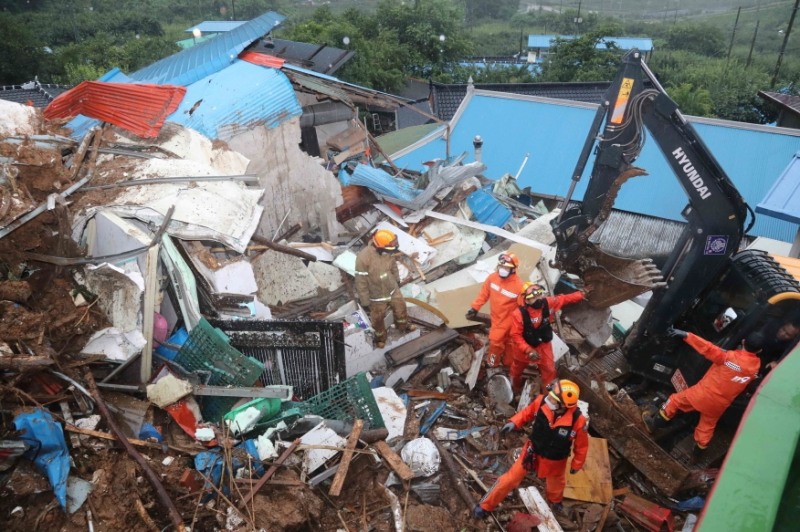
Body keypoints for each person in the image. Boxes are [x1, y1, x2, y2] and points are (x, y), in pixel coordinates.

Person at [474, 379, 589, 518]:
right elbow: (527, 412)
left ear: (563, 405)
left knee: (556, 484)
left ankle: (555, 501)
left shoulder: (578, 421)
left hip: (556, 460)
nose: (549, 400)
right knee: (510, 479)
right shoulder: (541, 402)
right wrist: (514, 422)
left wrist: (577, 463)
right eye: (550, 396)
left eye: (553, 399)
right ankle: (486, 505)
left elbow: (581, 445)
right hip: (532, 451)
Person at [643, 328, 764, 458]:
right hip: (720, 404)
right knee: (707, 426)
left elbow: (708, 348)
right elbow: (744, 371)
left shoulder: (728, 358)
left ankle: (653, 424)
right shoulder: (755, 366)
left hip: (703, 394)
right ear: (760, 351)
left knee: (674, 400)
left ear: (743, 341)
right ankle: (697, 454)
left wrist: (687, 335)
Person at [508, 282, 585, 392]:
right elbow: (516, 335)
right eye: (533, 297)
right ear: (526, 300)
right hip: (524, 347)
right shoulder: (518, 314)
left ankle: (548, 395)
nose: (538, 299)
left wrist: (581, 294)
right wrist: (528, 350)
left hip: (543, 345)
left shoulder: (548, 303)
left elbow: (564, 299)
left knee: (549, 370)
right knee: (517, 369)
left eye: (539, 294)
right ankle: (514, 387)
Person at [355, 229, 416, 349]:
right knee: (377, 320)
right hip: (376, 295)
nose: (393, 249)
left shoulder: (387, 253)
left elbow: (393, 266)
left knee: (401, 309)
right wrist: (365, 300)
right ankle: (380, 338)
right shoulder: (363, 258)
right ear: (380, 246)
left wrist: (397, 280)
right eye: (391, 246)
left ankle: (403, 326)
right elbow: (360, 281)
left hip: (392, 289)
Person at [466, 252, 525, 368]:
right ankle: (501, 363)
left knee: (501, 343)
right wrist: (475, 307)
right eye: (501, 266)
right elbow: (483, 294)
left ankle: (499, 363)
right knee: (502, 343)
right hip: (498, 319)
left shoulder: (519, 286)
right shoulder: (492, 278)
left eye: (506, 268)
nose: (502, 269)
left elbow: (524, 307)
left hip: (509, 321)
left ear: (513, 269)